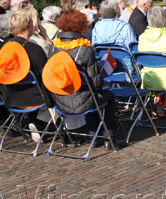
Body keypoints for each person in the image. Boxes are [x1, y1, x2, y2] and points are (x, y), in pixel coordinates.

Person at [47, 9, 118, 141]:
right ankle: (109, 136)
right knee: (106, 96)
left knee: (91, 93)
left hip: (58, 97)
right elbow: (95, 84)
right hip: (80, 100)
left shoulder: (53, 46)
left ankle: (93, 132)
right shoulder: (85, 48)